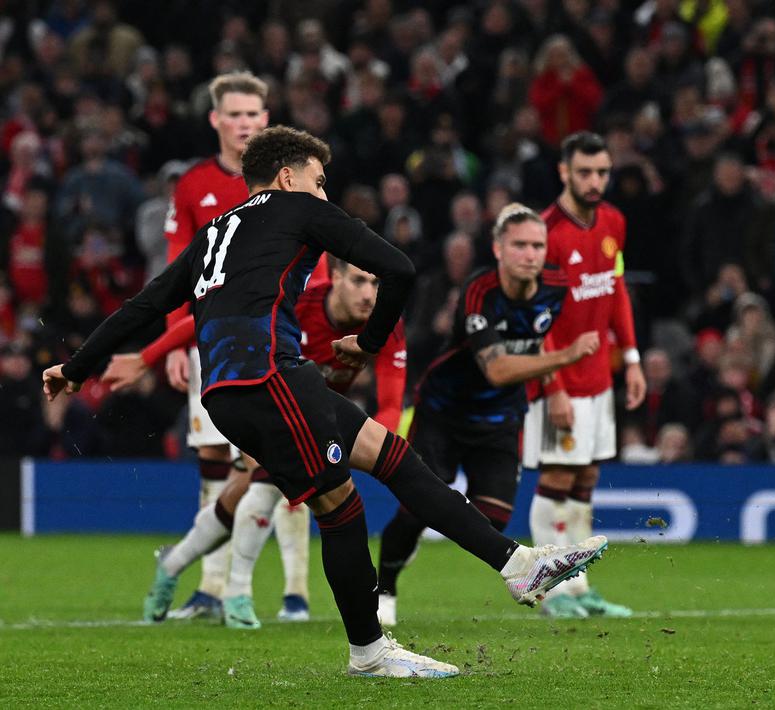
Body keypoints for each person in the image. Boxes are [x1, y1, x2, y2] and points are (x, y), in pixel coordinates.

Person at [43, 126, 608, 678]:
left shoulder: (214, 232)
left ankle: (520, 565)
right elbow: (400, 269)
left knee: (392, 456)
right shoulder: (297, 209)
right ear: (287, 178)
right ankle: (369, 650)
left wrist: (76, 367)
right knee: (341, 509)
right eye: (318, 183)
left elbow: (145, 306)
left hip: (229, 387)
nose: (324, 196)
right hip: (270, 377)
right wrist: (367, 344)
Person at [102, 257, 408, 628]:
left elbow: (391, 404)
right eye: (359, 281)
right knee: (266, 482)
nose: (368, 294)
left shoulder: (384, 326)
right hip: (252, 390)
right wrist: (148, 357)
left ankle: (172, 563)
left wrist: (376, 454)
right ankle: (238, 592)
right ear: (336, 277)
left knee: (241, 491)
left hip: (313, 416)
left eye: (375, 284)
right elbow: (205, 318)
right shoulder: (297, 301)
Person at [374, 203, 600, 627]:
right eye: (519, 245)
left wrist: (554, 391)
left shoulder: (556, 285)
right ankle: (384, 586)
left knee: (492, 518)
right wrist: (567, 360)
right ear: (498, 248)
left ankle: (430, 534)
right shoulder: (479, 292)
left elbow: (536, 341)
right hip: (445, 411)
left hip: (500, 418)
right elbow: (496, 369)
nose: (530, 254)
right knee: (421, 506)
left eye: (537, 245)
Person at [159, 72, 311, 622]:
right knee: (216, 459)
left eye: (254, 114)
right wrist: (176, 343)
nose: (245, 123)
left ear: (266, 119)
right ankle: (212, 589)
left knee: (283, 457)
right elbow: (181, 272)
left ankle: (296, 591)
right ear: (216, 120)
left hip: (278, 339)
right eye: (236, 114)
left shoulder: (290, 179)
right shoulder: (194, 184)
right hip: (210, 342)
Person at [521, 131, 646, 619]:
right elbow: (537, 317)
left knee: (586, 478)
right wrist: (551, 387)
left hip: (599, 376)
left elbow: (615, 293)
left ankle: (579, 586)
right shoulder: (547, 232)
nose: (595, 182)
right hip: (560, 378)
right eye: (586, 172)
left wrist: (632, 360)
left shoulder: (614, 221)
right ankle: (549, 589)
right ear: (564, 173)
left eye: (603, 172)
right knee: (556, 477)